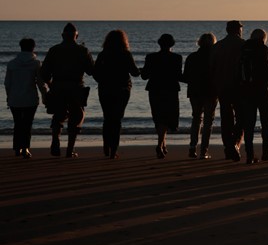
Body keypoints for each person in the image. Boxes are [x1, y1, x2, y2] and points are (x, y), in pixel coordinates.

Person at [39, 23, 95, 157]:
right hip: (76, 87)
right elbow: (91, 71)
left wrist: (50, 84)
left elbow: (44, 73)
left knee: (58, 116)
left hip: (58, 87)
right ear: (77, 35)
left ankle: (55, 141)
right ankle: (70, 149)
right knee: (76, 117)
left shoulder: (54, 50)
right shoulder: (83, 50)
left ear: (62, 35)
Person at [92, 29, 139, 159]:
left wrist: (103, 81)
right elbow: (135, 72)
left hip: (105, 89)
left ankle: (106, 145)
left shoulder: (103, 54)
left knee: (107, 118)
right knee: (117, 119)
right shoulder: (125, 54)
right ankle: (114, 150)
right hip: (122, 89)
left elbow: (95, 73)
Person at [237, 29, 268, 164]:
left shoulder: (243, 48)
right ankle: (265, 152)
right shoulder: (262, 48)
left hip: (246, 90)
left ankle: (250, 154)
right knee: (265, 122)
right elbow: (266, 68)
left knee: (249, 123)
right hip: (263, 90)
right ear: (263, 38)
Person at [141, 34, 182, 159]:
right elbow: (178, 75)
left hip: (155, 89)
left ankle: (162, 144)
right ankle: (161, 144)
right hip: (170, 89)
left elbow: (144, 76)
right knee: (167, 116)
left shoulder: (151, 57)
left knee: (158, 116)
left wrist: (142, 70)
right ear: (172, 44)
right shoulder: (176, 58)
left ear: (159, 43)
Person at [210, 20, 245, 161]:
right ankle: (235, 143)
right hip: (239, 86)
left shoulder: (218, 46)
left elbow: (211, 67)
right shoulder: (243, 45)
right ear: (238, 30)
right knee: (241, 117)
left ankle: (228, 146)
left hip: (222, 86)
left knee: (226, 118)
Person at [6, 38, 45, 159]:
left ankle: (17, 148)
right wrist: (45, 94)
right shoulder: (36, 63)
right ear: (33, 48)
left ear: (20, 47)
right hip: (30, 98)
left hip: (15, 99)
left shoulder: (12, 63)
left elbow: (7, 83)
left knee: (18, 123)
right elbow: (40, 82)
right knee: (27, 124)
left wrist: (9, 96)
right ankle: (25, 148)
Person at [181, 33, 217, 159]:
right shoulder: (214, 57)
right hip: (211, 92)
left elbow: (185, 77)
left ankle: (192, 147)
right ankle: (204, 150)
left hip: (195, 92)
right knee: (208, 121)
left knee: (196, 118)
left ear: (199, 42)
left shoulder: (192, 57)